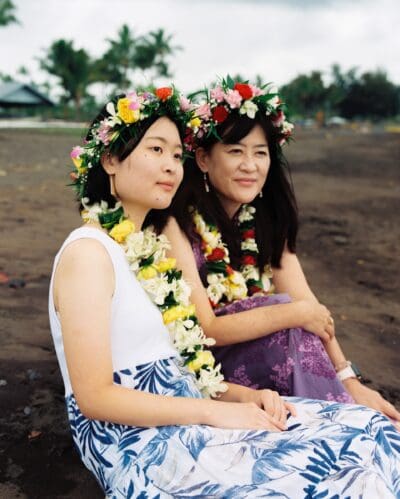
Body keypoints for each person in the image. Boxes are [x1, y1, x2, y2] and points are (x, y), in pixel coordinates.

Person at [49, 87, 400, 498]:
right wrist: (216, 412)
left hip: (187, 408)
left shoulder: (143, 251)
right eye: (155, 150)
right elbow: (94, 397)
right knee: (345, 476)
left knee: (372, 430)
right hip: (139, 442)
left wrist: (249, 397)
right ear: (110, 159)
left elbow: (178, 368)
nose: (169, 167)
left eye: (175, 155)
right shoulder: (88, 253)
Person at [161, 77, 400, 422]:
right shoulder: (177, 224)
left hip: (261, 358)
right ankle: (338, 426)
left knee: (292, 321)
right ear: (202, 159)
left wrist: (351, 382)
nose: (250, 165)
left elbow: (311, 309)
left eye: (260, 153)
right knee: (286, 318)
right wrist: (294, 314)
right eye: (235, 151)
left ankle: (340, 415)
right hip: (201, 370)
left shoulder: (266, 223)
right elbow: (206, 329)